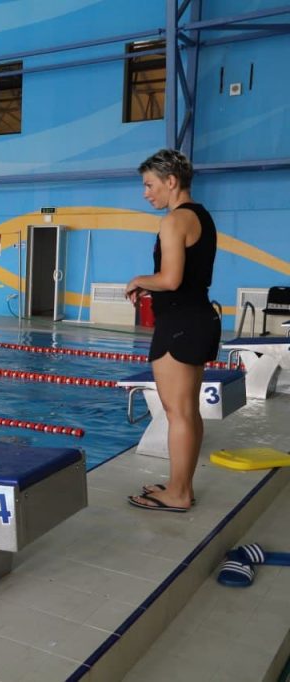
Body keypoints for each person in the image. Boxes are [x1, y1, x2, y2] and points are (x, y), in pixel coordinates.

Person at [125, 149, 221, 513]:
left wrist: (139, 280)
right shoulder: (201, 216)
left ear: (171, 180)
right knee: (187, 411)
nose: (146, 193)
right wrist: (154, 288)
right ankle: (182, 485)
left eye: (149, 185)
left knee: (177, 412)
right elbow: (186, 280)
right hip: (197, 318)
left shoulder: (174, 220)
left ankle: (178, 494)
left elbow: (171, 279)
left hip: (180, 325)